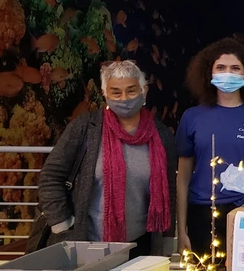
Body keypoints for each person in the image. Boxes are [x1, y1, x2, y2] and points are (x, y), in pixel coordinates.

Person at [38, 61, 176, 257]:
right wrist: (62, 225)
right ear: (105, 94)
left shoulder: (161, 135)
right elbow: (50, 177)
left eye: (131, 90)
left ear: (144, 90)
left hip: (142, 246)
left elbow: (168, 190)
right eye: (116, 93)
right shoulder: (85, 128)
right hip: (87, 244)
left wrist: (167, 239)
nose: (124, 99)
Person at [176, 38, 244, 256]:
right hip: (202, 211)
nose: (228, 73)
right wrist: (181, 227)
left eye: (235, 68)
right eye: (220, 68)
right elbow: (183, 178)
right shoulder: (192, 117)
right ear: (208, 73)